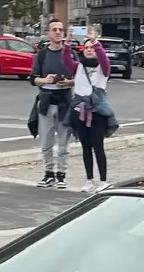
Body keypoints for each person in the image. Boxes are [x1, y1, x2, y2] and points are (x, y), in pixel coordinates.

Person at [64, 33, 113, 193]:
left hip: (97, 111)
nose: (89, 50)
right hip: (80, 111)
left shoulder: (103, 67)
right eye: (86, 48)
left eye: (91, 48)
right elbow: (65, 61)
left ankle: (103, 180)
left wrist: (95, 42)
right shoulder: (78, 67)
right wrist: (67, 44)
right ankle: (89, 179)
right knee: (85, 146)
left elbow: (104, 59)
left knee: (98, 145)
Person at [28, 20, 74, 188]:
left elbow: (80, 78)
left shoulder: (69, 54)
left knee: (63, 143)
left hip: (65, 102)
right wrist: (44, 80)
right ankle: (48, 174)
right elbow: (33, 79)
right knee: (46, 142)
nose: (58, 32)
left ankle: (61, 175)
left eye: (60, 30)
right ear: (48, 33)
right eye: (54, 29)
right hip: (46, 102)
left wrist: (68, 82)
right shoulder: (41, 55)